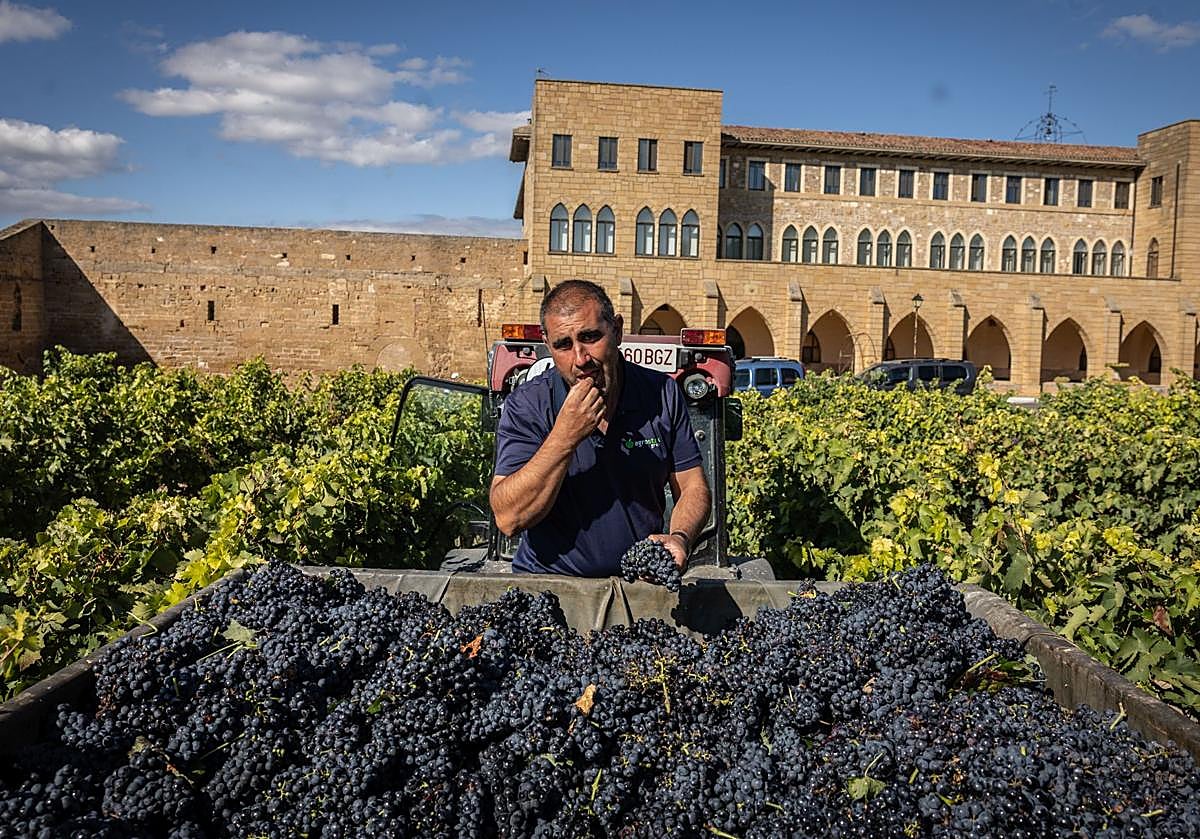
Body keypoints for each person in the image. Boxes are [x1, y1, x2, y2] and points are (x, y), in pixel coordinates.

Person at [490, 280, 711, 577]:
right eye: (563, 345)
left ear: (617, 330)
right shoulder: (528, 405)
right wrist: (565, 436)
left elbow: (692, 487)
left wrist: (680, 537)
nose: (581, 359)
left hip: (640, 585)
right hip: (549, 587)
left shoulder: (661, 394)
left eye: (590, 337)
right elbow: (508, 518)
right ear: (548, 345)